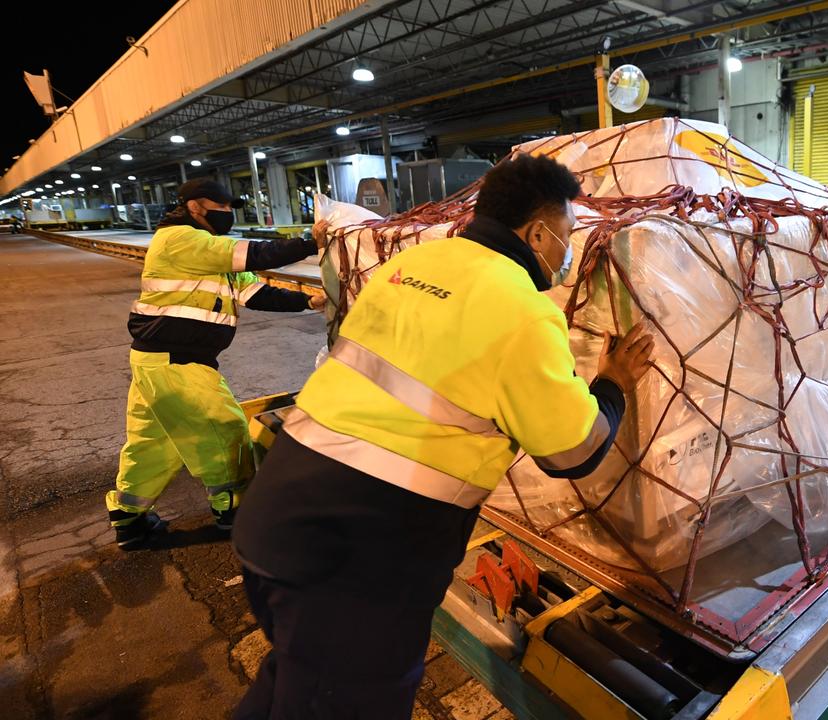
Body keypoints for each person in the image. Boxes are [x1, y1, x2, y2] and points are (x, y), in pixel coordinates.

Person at [232, 154, 654, 719]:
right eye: (568, 235)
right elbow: (572, 450)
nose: (568, 252)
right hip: (357, 562)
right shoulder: (523, 311)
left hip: (276, 515)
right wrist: (612, 384)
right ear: (536, 233)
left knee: (294, 686)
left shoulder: (411, 267)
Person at [107, 178, 324, 549]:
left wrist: (308, 302)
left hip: (156, 362)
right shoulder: (178, 239)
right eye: (220, 208)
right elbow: (254, 254)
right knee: (225, 430)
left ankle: (128, 518)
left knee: (153, 442)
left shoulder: (211, 252)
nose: (227, 214)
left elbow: (254, 292)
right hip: (178, 362)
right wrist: (312, 242)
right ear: (195, 207)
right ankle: (234, 514)